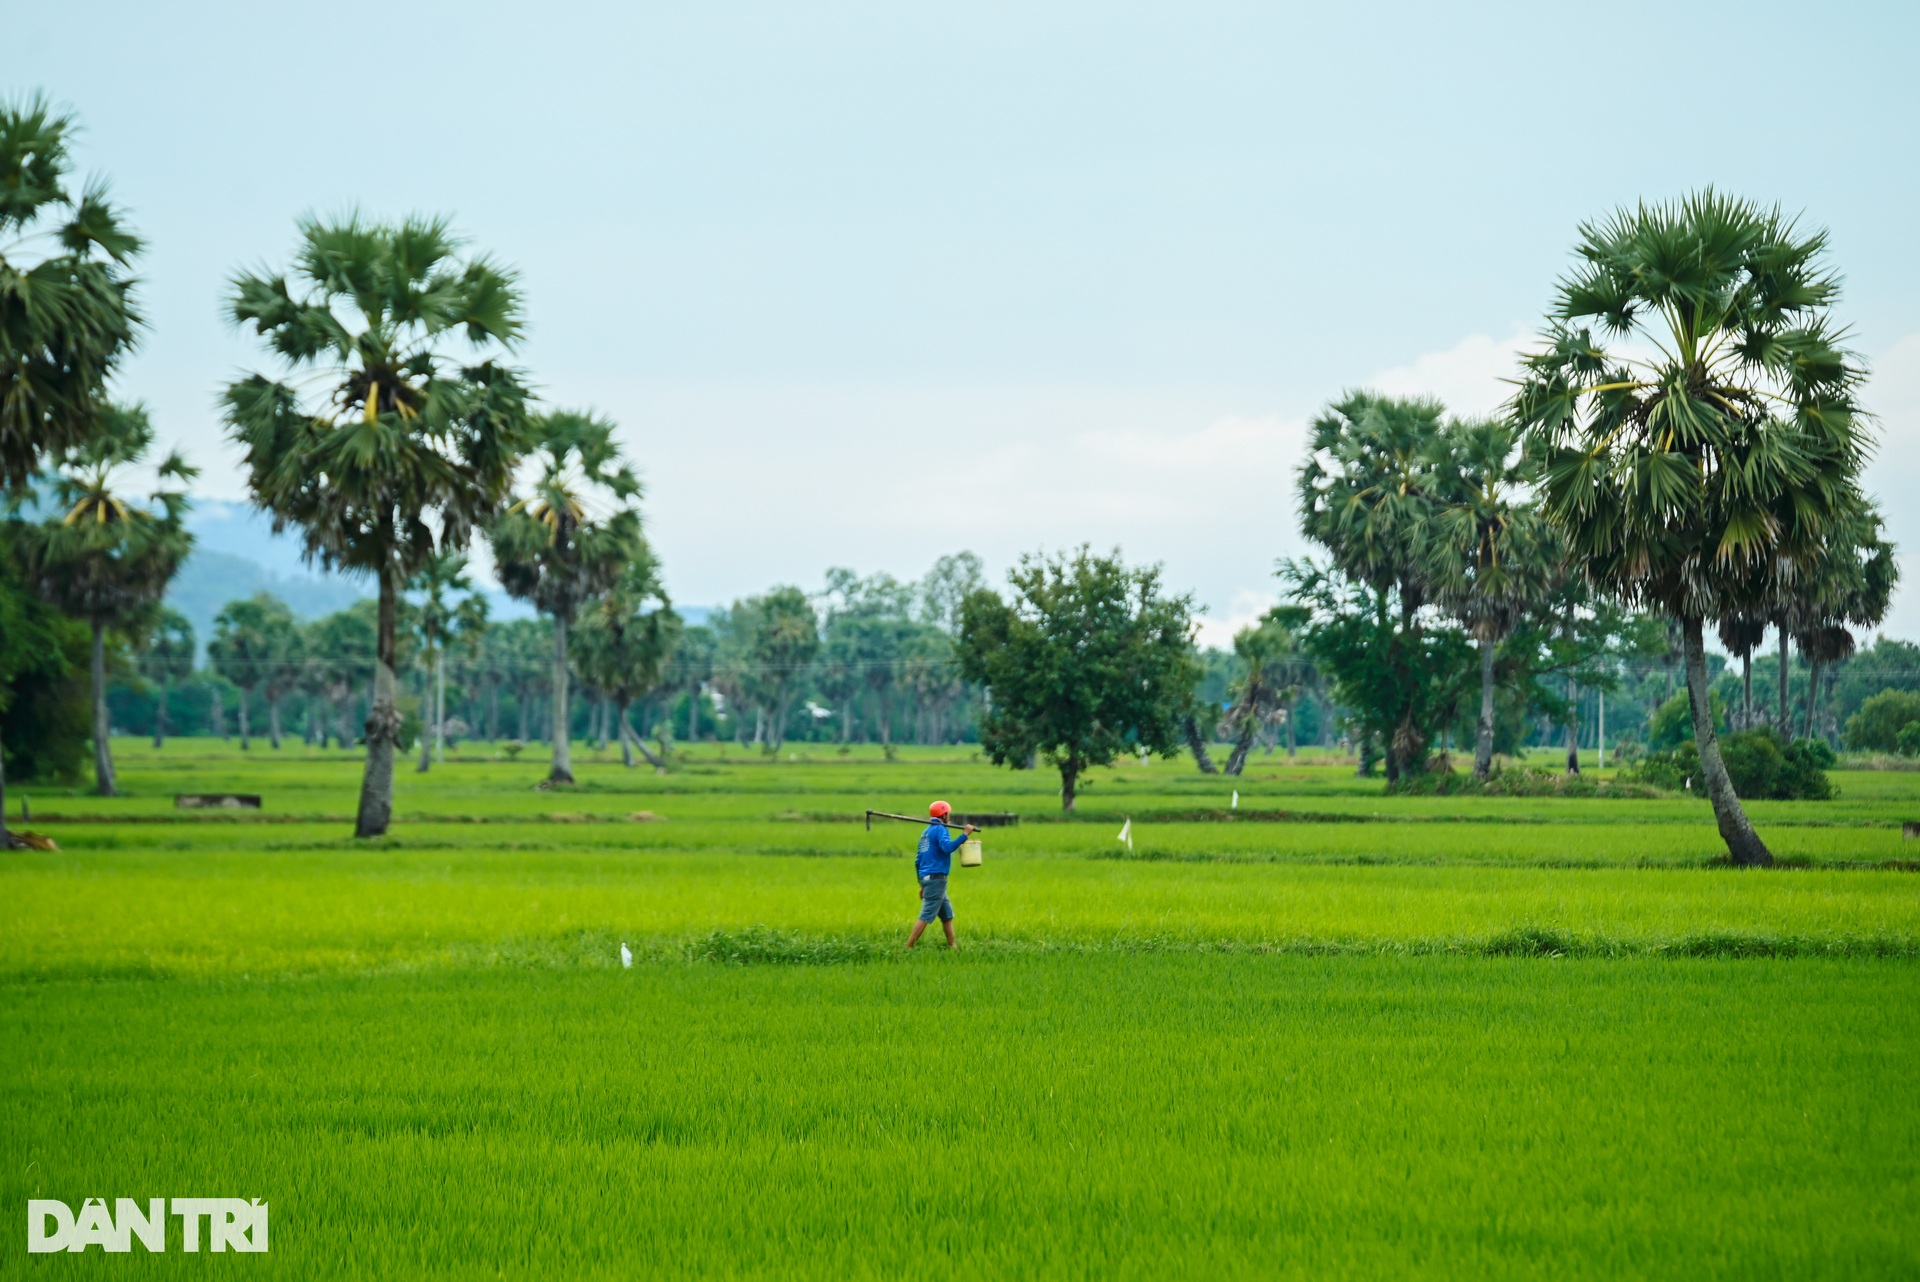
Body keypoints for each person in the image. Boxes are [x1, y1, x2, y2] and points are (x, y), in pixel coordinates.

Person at [906, 800, 976, 950]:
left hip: (929, 880)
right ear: (944, 814)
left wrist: (921, 884)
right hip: (936, 879)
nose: (949, 817)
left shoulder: (925, 833)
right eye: (948, 814)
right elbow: (947, 848)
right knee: (926, 915)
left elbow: (918, 861)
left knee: (947, 915)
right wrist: (964, 835)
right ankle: (908, 947)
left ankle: (953, 947)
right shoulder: (940, 829)